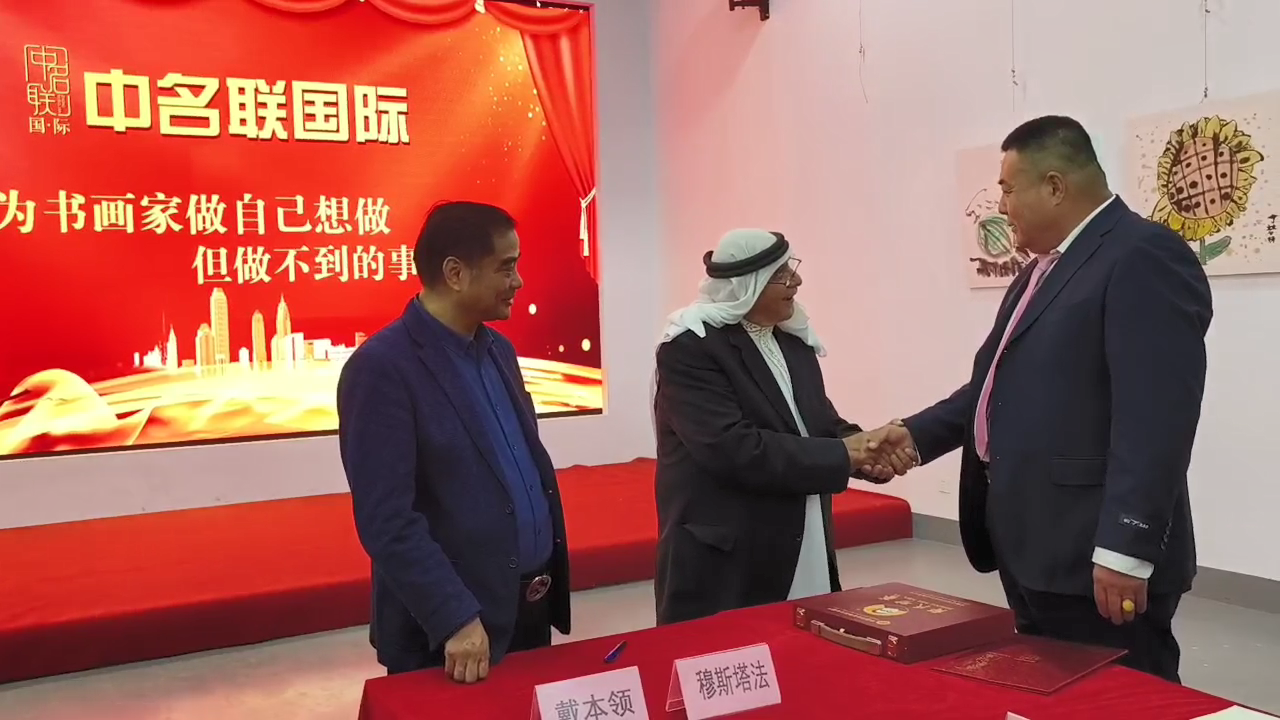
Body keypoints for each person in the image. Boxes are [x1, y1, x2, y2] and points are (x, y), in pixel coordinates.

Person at [866, 116, 1211, 682]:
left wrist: (1125, 548)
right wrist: (916, 434)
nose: (1001, 207)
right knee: (1053, 692)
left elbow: (1156, 419)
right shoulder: (1040, 271)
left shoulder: (1143, 255)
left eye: (1007, 189)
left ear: (1054, 186)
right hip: (1033, 547)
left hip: (1092, 554)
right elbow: (997, 387)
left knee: (1122, 698)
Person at [336, 201, 570, 682]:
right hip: (451, 635)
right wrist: (453, 616)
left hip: (524, 609)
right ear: (455, 273)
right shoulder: (382, 368)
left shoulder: (500, 351)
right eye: (506, 267)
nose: (519, 281)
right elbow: (387, 519)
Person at [651, 228, 915, 626]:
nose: (797, 280)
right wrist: (849, 453)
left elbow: (819, 424)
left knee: (805, 651)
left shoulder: (793, 342)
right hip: (730, 557)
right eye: (781, 274)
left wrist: (868, 450)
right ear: (746, 284)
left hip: (805, 540)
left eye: (792, 268)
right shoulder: (691, 348)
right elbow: (733, 448)